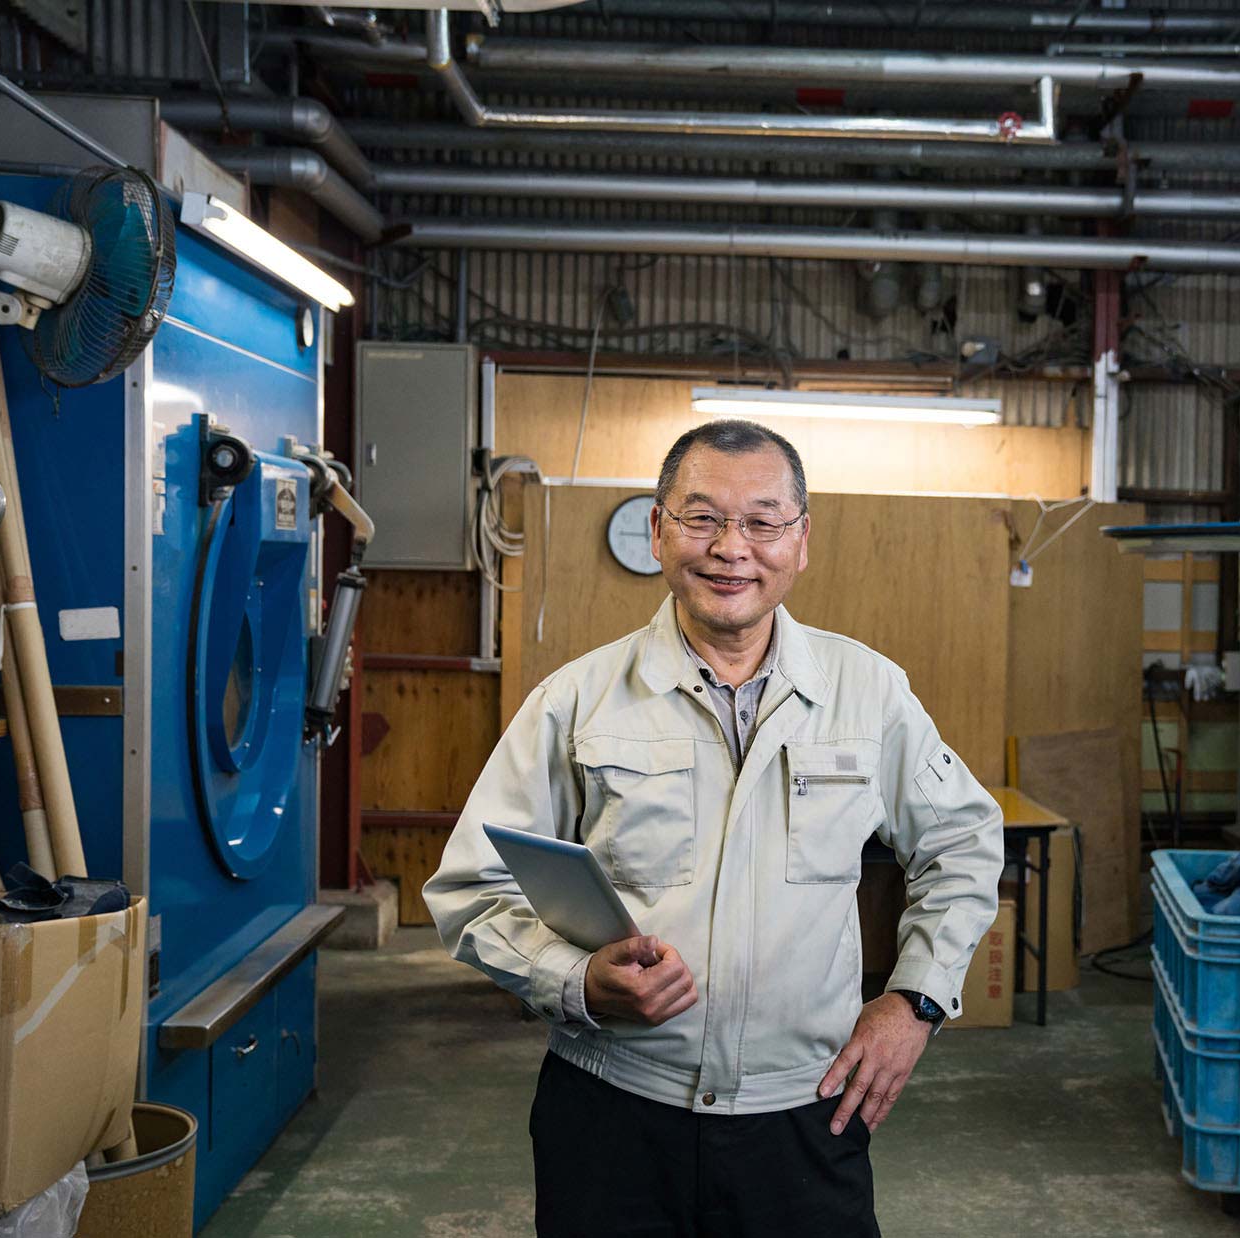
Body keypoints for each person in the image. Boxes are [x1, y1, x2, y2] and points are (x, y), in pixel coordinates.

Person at [424, 419, 1004, 1237]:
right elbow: (470, 886)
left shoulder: (867, 694)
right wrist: (573, 981)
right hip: (613, 1110)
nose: (732, 547)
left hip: (805, 1113)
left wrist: (913, 1004)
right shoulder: (577, 700)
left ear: (800, 543)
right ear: (659, 531)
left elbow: (964, 842)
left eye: (763, 522)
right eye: (701, 518)